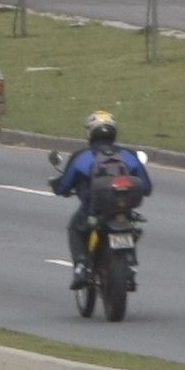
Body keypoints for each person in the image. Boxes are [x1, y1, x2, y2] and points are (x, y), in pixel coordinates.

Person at [52, 113, 151, 286]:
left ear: (91, 133)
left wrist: (59, 187)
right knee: (131, 227)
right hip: (124, 212)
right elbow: (147, 187)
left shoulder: (82, 156)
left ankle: (81, 265)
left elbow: (64, 186)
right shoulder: (128, 155)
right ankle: (131, 265)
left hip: (93, 211)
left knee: (75, 227)